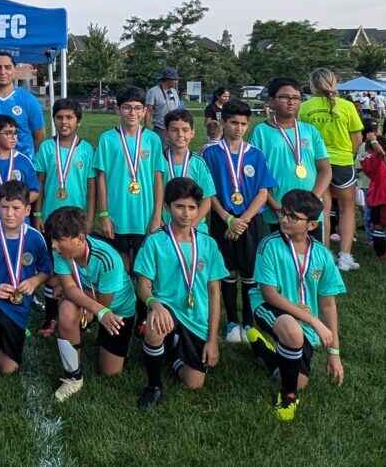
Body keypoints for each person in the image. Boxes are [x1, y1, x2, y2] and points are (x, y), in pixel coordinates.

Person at [246, 190, 346, 421]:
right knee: (292, 333)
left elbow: (328, 305)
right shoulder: (269, 245)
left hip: (302, 321)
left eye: (292, 217)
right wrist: (312, 320)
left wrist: (334, 353)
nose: (284, 219)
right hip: (267, 306)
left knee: (299, 380)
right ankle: (288, 397)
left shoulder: (322, 255)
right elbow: (269, 294)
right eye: (283, 213)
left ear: (311, 225)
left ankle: (264, 350)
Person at [134, 177, 229, 410]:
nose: (186, 214)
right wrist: (154, 303)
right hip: (166, 308)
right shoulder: (155, 242)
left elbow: (214, 293)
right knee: (156, 324)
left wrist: (212, 340)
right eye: (179, 206)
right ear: (167, 208)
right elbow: (142, 285)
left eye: (192, 207)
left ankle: (172, 354)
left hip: (197, 317)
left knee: (194, 383)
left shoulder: (208, 244)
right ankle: (154, 386)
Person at [202, 100, 276, 343]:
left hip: (249, 221)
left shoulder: (256, 154)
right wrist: (228, 219)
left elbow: (263, 192)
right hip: (223, 220)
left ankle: (249, 321)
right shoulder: (211, 153)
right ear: (223, 122)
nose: (238, 128)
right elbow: (209, 192)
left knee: (249, 271)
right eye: (234, 122)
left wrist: (242, 221)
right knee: (227, 270)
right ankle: (232, 321)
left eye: (243, 124)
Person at [45, 205, 134, 402]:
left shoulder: (108, 258)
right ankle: (73, 378)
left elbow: (104, 302)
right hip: (95, 304)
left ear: (80, 238)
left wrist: (94, 309)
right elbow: (70, 289)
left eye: (59, 240)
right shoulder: (60, 253)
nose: (53, 245)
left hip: (117, 310)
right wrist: (92, 308)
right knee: (67, 310)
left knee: (110, 372)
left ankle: (108, 341)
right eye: (52, 239)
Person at [0, 181, 52, 379]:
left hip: (18, 306)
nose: (9, 214)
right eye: (4, 207)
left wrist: (34, 281)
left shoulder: (35, 238)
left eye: (16, 208)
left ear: (27, 210)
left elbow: (46, 270)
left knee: (8, 368)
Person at [93, 86, 165, 300]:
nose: (132, 112)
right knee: (121, 267)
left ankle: (144, 310)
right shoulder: (107, 139)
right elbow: (101, 178)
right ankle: (125, 309)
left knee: (144, 268)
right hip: (118, 216)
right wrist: (104, 215)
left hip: (145, 217)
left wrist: (157, 216)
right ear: (118, 110)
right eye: (127, 107)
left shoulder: (152, 139)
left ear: (144, 111)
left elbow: (158, 179)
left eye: (137, 108)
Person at [33, 97, 96, 336]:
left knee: (78, 270)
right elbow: (39, 184)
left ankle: (81, 315)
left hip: (76, 221)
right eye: (59, 117)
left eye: (69, 117)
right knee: (52, 271)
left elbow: (91, 188)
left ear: (78, 121)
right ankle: (51, 317)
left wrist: (89, 219)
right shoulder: (46, 148)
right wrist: (37, 213)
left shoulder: (87, 150)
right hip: (50, 219)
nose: (64, 122)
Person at [299, 68, 365, 272]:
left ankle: (325, 254)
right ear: (334, 82)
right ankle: (345, 257)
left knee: (323, 211)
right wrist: (349, 154)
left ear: (312, 85)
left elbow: (301, 136)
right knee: (347, 209)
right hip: (343, 162)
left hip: (316, 163)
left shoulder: (305, 108)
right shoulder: (347, 106)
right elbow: (357, 137)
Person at [249, 78, 332, 239]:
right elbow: (256, 175)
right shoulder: (261, 132)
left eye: (296, 97)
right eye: (284, 97)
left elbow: (325, 170)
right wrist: (275, 206)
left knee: (311, 251)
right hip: (278, 212)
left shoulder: (310, 131)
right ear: (272, 101)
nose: (291, 101)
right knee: (279, 252)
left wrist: (313, 199)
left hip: (309, 212)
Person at [161, 109, 215, 232]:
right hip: (165, 227)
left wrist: (192, 226)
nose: (180, 134)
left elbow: (207, 200)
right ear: (166, 133)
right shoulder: (158, 161)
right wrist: (159, 221)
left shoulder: (199, 163)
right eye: (174, 130)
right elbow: (153, 197)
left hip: (194, 228)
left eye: (185, 130)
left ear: (192, 133)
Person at [360, 133, 386, 258]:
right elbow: (381, 153)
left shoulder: (366, 158)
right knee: (382, 224)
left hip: (376, 196)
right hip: (383, 197)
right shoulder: (375, 158)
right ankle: (382, 252)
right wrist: (374, 140)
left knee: (377, 223)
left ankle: (380, 249)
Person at [145, 67, 184, 141]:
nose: (176, 82)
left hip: (174, 128)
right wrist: (147, 129)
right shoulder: (153, 92)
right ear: (168, 80)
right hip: (160, 129)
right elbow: (148, 111)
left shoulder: (174, 91)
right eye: (175, 79)